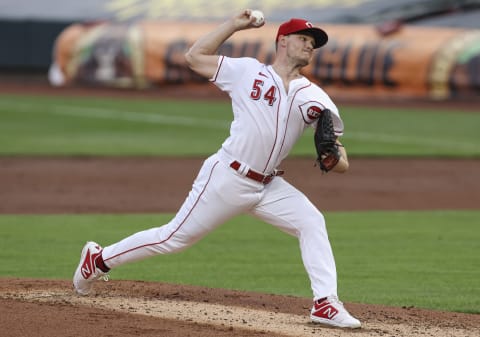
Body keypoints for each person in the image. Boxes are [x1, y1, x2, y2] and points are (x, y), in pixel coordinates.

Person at [73, 9, 361, 329]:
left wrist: (335, 160)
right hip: (228, 176)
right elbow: (195, 57)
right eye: (303, 39)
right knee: (173, 238)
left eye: (313, 42)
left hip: (268, 187)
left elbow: (339, 155)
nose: (310, 46)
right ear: (282, 41)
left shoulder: (316, 97)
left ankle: (325, 304)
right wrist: (234, 25)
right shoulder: (248, 72)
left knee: (312, 222)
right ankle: (98, 260)